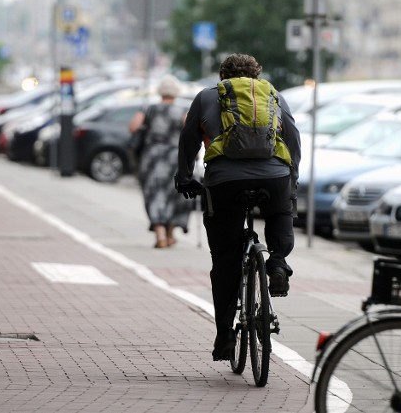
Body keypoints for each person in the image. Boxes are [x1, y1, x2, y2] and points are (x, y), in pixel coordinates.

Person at [175, 53, 301, 361]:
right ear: (257, 76)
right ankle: (277, 262)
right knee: (281, 212)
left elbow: (189, 139)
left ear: (222, 77)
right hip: (274, 177)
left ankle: (225, 337)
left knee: (225, 262)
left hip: (224, 182)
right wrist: (291, 178)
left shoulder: (207, 96)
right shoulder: (273, 95)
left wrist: (184, 177)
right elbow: (293, 139)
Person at [129, 75, 192, 248]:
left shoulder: (149, 109)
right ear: (176, 92)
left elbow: (133, 127)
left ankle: (160, 235)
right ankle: (171, 234)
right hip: (174, 156)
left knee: (154, 193)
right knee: (175, 194)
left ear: (160, 91)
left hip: (152, 157)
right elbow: (190, 131)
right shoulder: (182, 110)